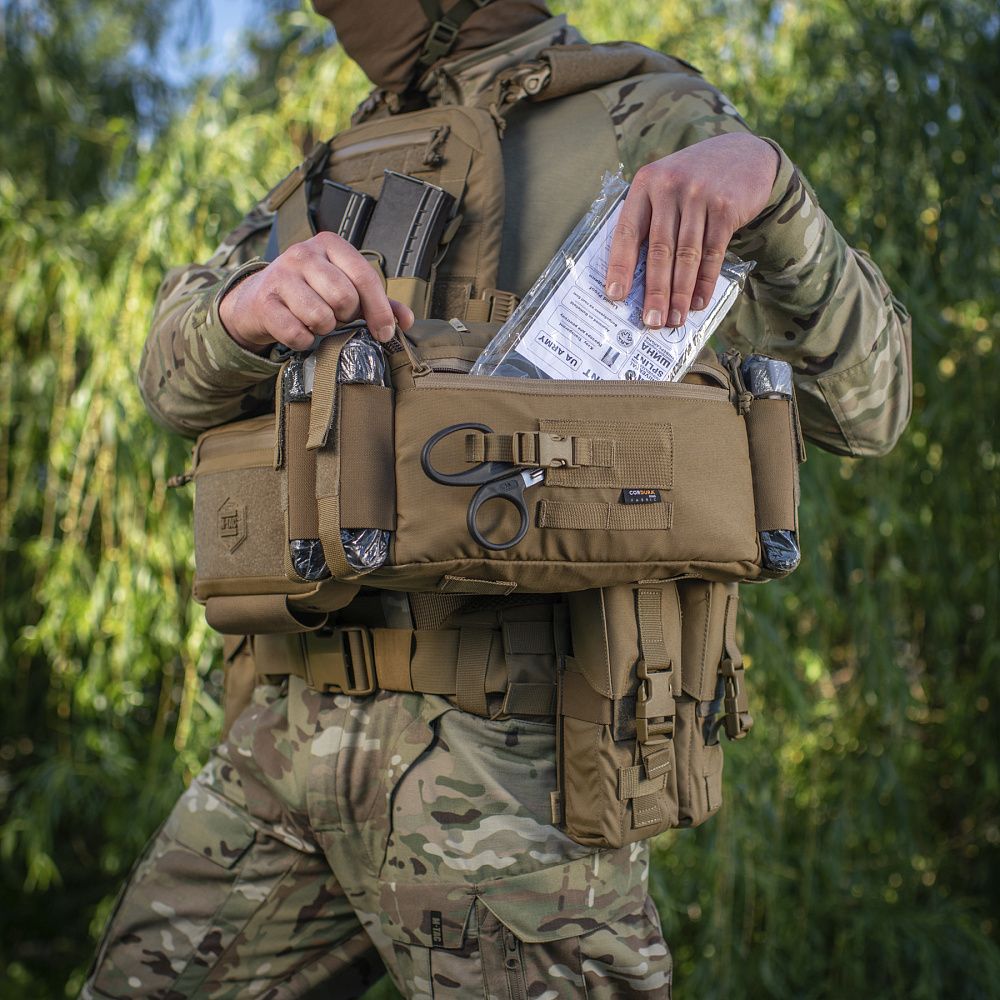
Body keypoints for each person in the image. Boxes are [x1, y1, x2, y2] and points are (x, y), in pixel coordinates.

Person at [83, 2, 911, 998]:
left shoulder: (644, 113)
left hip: (511, 777)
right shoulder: (340, 160)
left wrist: (772, 189)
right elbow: (169, 388)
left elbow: (867, 405)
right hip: (283, 735)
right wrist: (236, 314)